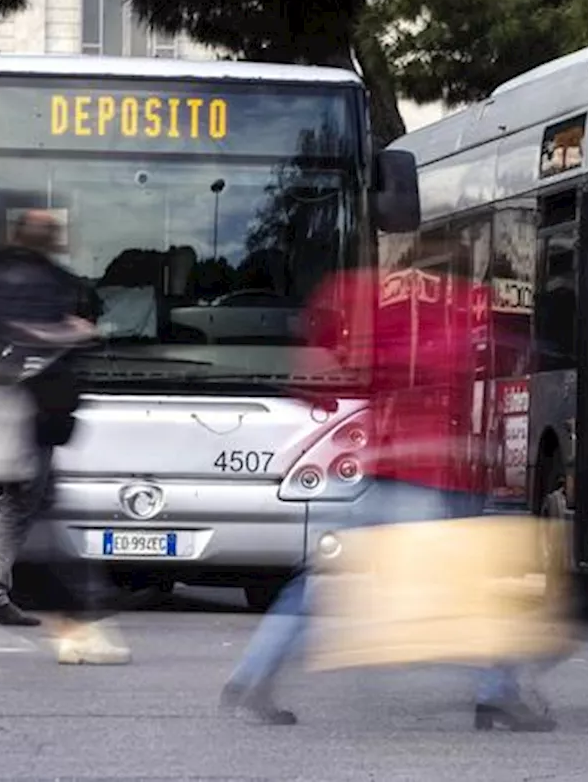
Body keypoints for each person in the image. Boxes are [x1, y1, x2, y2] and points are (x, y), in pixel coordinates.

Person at [220, 251, 555, 730]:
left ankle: (252, 674)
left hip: (376, 466)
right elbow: (507, 359)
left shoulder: (361, 292)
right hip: (439, 474)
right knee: (478, 589)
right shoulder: (465, 303)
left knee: (318, 584)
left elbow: (314, 374)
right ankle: (497, 692)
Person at [0, 210, 129, 664]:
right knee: (37, 506)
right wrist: (70, 331)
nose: (59, 238)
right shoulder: (37, 279)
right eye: (53, 232)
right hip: (29, 412)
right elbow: (21, 333)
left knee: (27, 503)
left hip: (18, 410)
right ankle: (77, 612)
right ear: (44, 239)